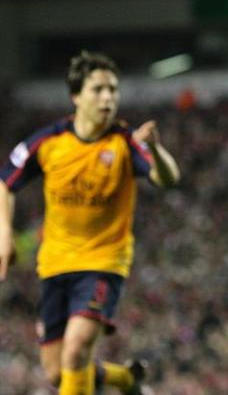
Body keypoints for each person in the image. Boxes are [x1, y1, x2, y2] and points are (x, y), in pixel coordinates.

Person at [0, 51, 180, 395]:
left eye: (113, 89)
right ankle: (124, 379)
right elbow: (5, 182)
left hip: (103, 262)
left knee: (78, 345)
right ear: (76, 96)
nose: (108, 97)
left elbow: (167, 179)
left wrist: (156, 149)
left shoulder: (125, 142)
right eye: (98, 89)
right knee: (57, 373)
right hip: (54, 265)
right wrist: (4, 234)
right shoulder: (49, 142)